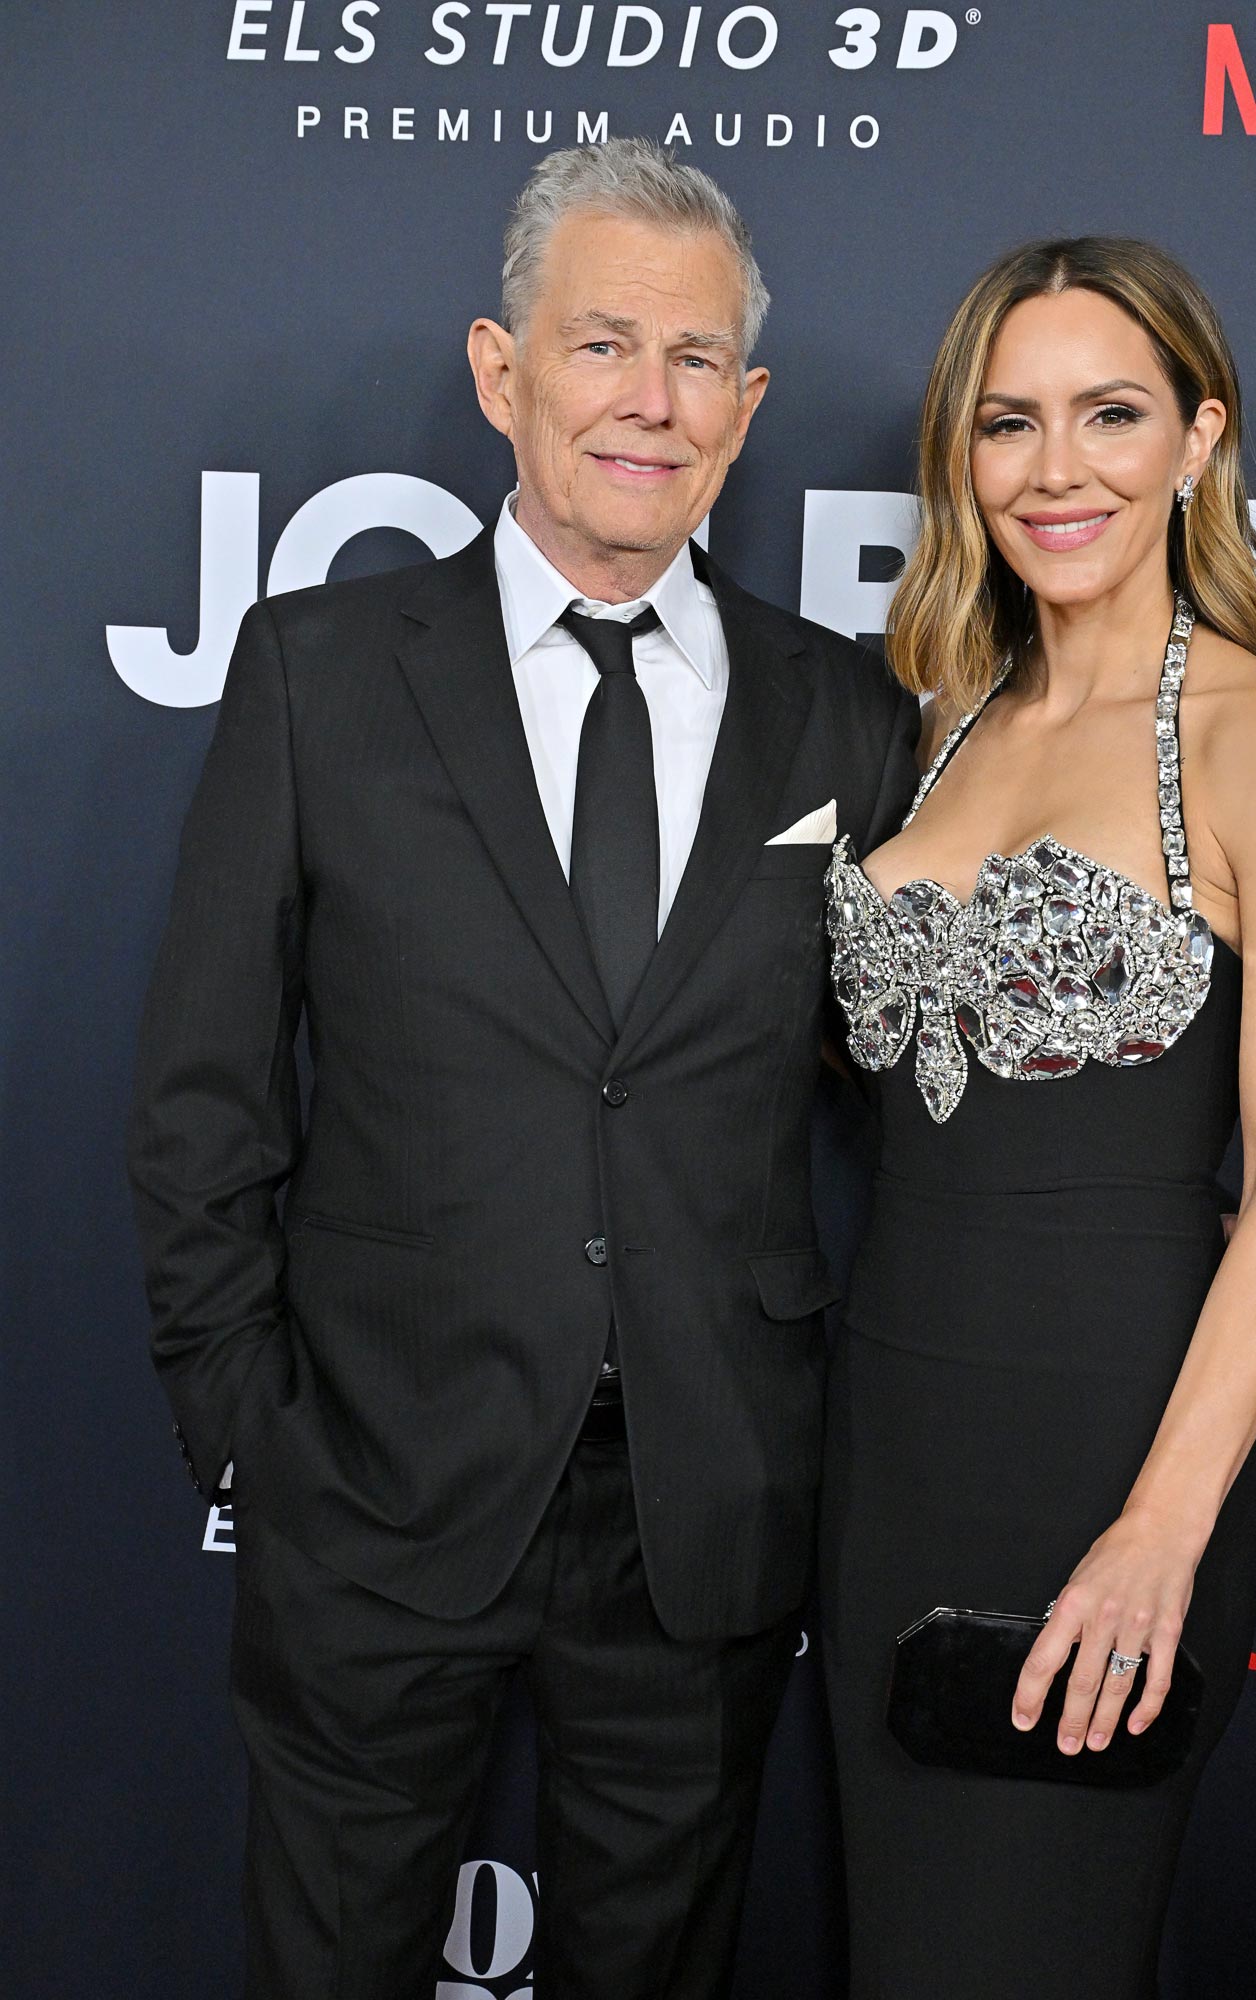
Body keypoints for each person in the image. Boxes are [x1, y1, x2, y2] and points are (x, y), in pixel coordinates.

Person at [126, 138, 920, 2000]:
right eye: (603, 344)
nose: (652, 399)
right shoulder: (320, 671)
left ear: (746, 407)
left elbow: (905, 1079)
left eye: (697, 358)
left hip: (705, 1511)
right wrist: (253, 1431)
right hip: (373, 1487)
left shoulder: (844, 711)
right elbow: (203, 1090)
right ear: (502, 373)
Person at [818, 236, 1256, 1997]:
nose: (1054, 470)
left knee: (1036, 1944)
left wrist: (1158, 1534)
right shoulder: (934, 720)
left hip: (1110, 1435)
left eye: (1110, 414)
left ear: (1198, 438)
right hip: (886, 1431)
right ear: (960, 455)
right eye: (1008, 423)